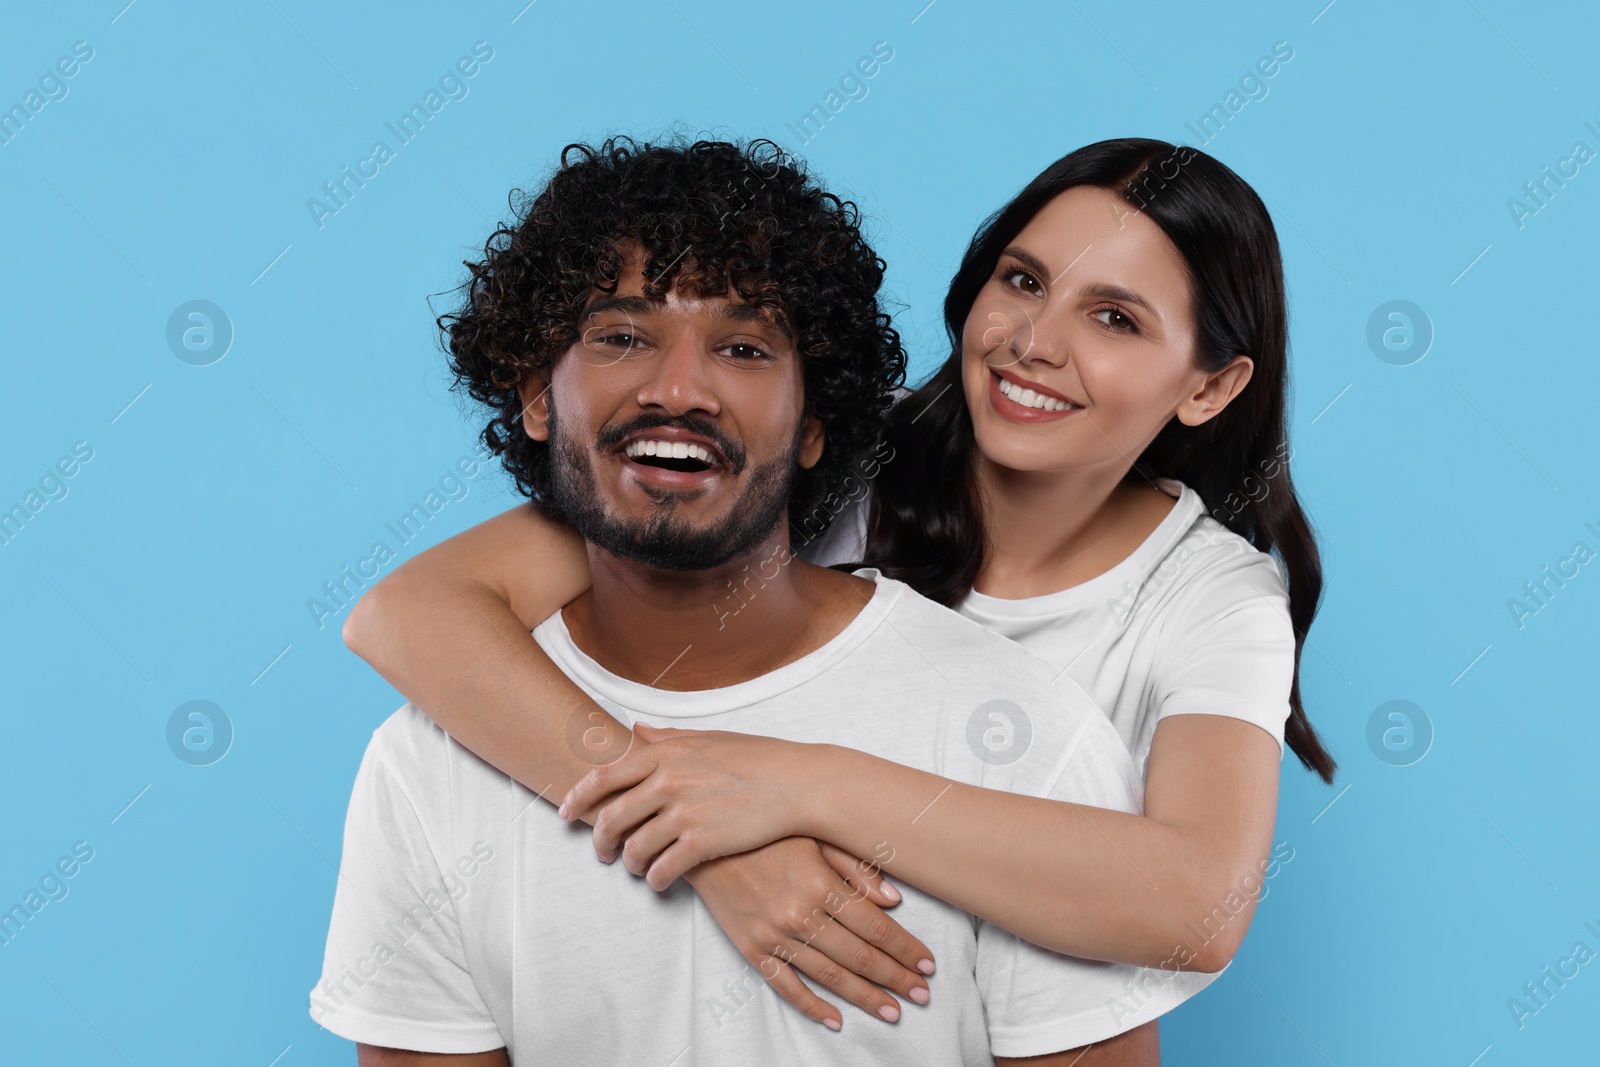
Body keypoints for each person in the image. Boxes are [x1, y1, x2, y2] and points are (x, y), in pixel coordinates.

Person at [343, 136, 1338, 1033]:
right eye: (1022, 280)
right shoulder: (814, 451)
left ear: (1208, 386)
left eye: (1114, 317)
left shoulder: (1210, 599)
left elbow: (1196, 906)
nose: (1036, 340)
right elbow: (412, 613)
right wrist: (698, 831)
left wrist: (798, 784)